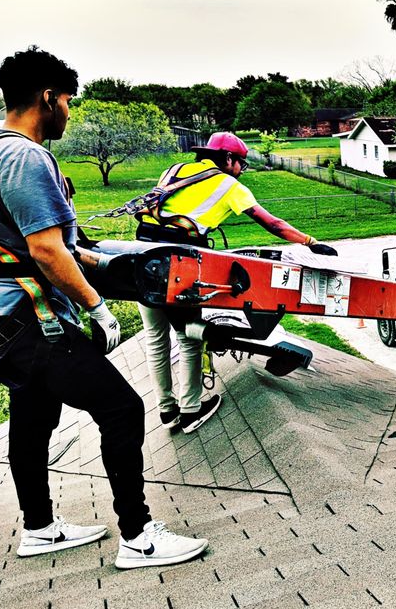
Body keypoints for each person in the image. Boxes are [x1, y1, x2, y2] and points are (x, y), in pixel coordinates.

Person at [0, 46, 206, 568]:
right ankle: (139, 537)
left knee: (33, 420)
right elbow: (44, 249)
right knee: (122, 409)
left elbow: (46, 241)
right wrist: (96, 305)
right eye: (66, 100)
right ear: (47, 96)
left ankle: (40, 528)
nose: (68, 110)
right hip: (34, 319)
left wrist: (105, 261)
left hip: (2, 319)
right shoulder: (26, 156)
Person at [135, 131, 337, 434]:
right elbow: (272, 223)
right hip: (179, 262)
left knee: (155, 338)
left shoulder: (174, 171)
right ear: (228, 159)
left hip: (142, 256)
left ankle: (166, 409)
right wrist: (310, 242)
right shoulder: (229, 184)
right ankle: (190, 410)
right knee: (189, 337)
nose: (242, 169)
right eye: (240, 162)